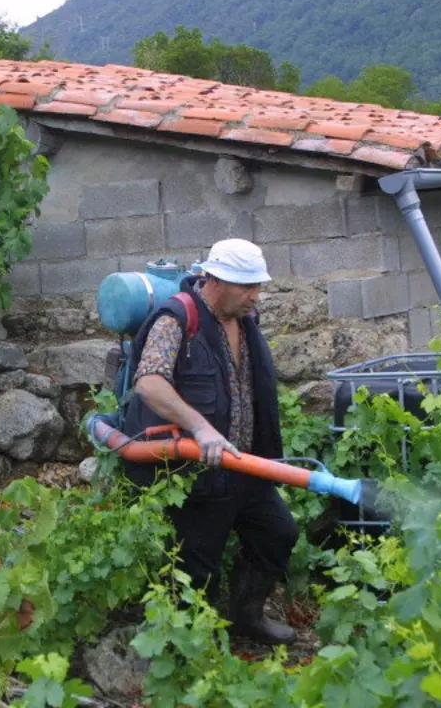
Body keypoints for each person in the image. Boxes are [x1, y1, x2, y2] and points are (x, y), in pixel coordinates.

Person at [120, 238, 299, 645]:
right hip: (196, 475)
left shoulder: (245, 320)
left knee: (278, 534)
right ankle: (193, 652)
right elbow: (149, 383)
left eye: (258, 286)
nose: (256, 296)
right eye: (247, 287)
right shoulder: (178, 319)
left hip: (246, 468)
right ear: (214, 280)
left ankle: (247, 618)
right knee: (198, 568)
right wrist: (199, 426)